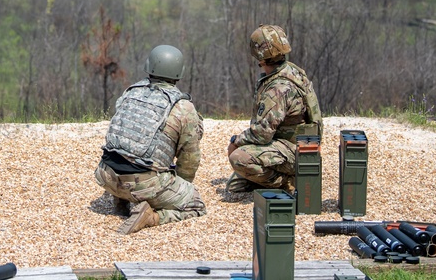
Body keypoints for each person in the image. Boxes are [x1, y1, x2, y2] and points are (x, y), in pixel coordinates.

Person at [94, 44, 206, 234]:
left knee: (130, 153)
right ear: (178, 73)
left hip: (106, 175)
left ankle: (122, 201)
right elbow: (189, 160)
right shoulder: (183, 107)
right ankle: (151, 217)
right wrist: (182, 186)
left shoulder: (131, 92)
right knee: (196, 205)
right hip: (142, 183)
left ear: (149, 66)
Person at [226, 24, 323, 193]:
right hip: (300, 147)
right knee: (235, 185)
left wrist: (236, 141)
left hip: (294, 151)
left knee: (239, 158)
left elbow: (262, 134)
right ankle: (269, 177)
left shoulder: (278, 88)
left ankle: (288, 181)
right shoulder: (292, 71)